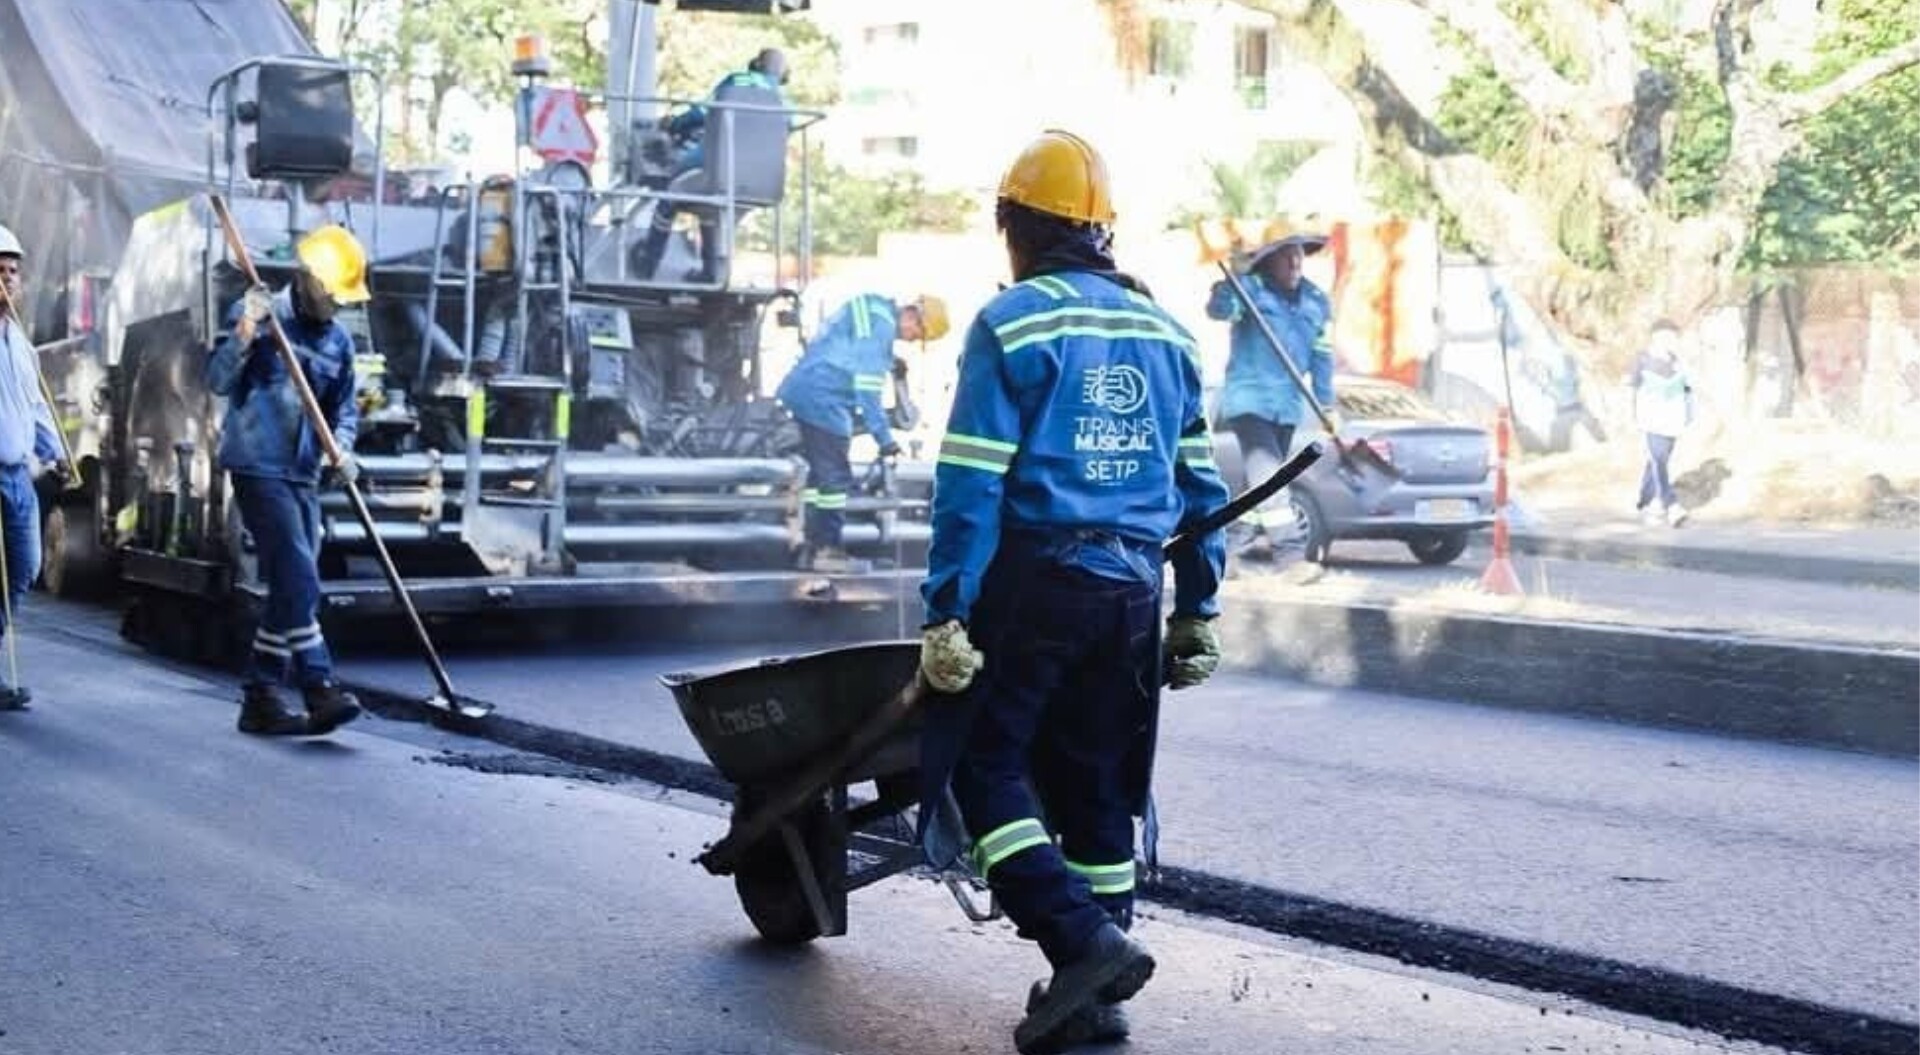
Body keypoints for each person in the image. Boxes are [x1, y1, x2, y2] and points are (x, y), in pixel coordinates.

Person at [914, 130, 1231, 1054]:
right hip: (1133, 590)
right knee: (1098, 781)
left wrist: (946, 608)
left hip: (1037, 578)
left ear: (1016, 225)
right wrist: (1198, 606)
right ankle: (1089, 998)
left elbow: (971, 482)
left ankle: (1081, 939)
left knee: (979, 764)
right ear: (1100, 233)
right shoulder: (1166, 333)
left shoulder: (1011, 323)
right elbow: (1202, 492)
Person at [205, 224, 368, 737]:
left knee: (291, 588)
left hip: (302, 472)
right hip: (257, 464)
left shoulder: (340, 342)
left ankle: (260, 697)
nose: (338, 307)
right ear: (306, 279)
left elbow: (343, 409)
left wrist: (343, 451)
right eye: (333, 295)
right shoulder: (258, 314)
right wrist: (248, 329)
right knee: (300, 575)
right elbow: (217, 381)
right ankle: (319, 684)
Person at [776, 292, 949, 573]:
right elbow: (868, 393)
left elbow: (846, 347)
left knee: (819, 475)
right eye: (917, 334)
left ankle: (808, 551)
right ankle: (827, 551)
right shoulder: (881, 329)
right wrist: (885, 440)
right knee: (834, 477)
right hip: (824, 396)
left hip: (807, 388)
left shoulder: (874, 307)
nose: (911, 339)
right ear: (913, 315)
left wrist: (887, 360)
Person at [1204, 218, 1336, 570]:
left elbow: (1323, 358)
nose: (1295, 263)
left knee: (1256, 486)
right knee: (1273, 479)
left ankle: (1228, 553)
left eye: (1299, 257)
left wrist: (1327, 405)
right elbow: (1220, 310)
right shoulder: (1249, 290)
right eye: (1286, 257)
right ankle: (1291, 556)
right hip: (1249, 401)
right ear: (1267, 261)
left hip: (1288, 406)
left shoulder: (1316, 301)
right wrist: (1231, 279)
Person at [635, 47, 791, 282]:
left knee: (670, 194)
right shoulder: (784, 103)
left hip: (718, 172)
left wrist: (675, 125)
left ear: (756, 63)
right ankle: (710, 273)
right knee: (710, 208)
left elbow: (701, 112)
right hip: (764, 184)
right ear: (783, 75)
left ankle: (647, 262)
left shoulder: (738, 80)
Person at [0, 224, 70, 710]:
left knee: (25, 566)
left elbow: (36, 407)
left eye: (12, 273)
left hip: (17, 475)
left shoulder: (22, 347)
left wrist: (56, 452)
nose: (8, 281)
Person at [1630, 321, 1693, 527]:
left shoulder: (1677, 362)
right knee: (1658, 460)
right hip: (1651, 419)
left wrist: (1688, 415)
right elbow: (1632, 388)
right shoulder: (1643, 360)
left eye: (1674, 337)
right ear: (1655, 337)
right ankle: (1671, 505)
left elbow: (1687, 389)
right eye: (1667, 336)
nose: (1671, 341)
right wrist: (1633, 417)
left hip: (1672, 420)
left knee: (1658, 461)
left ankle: (1646, 500)